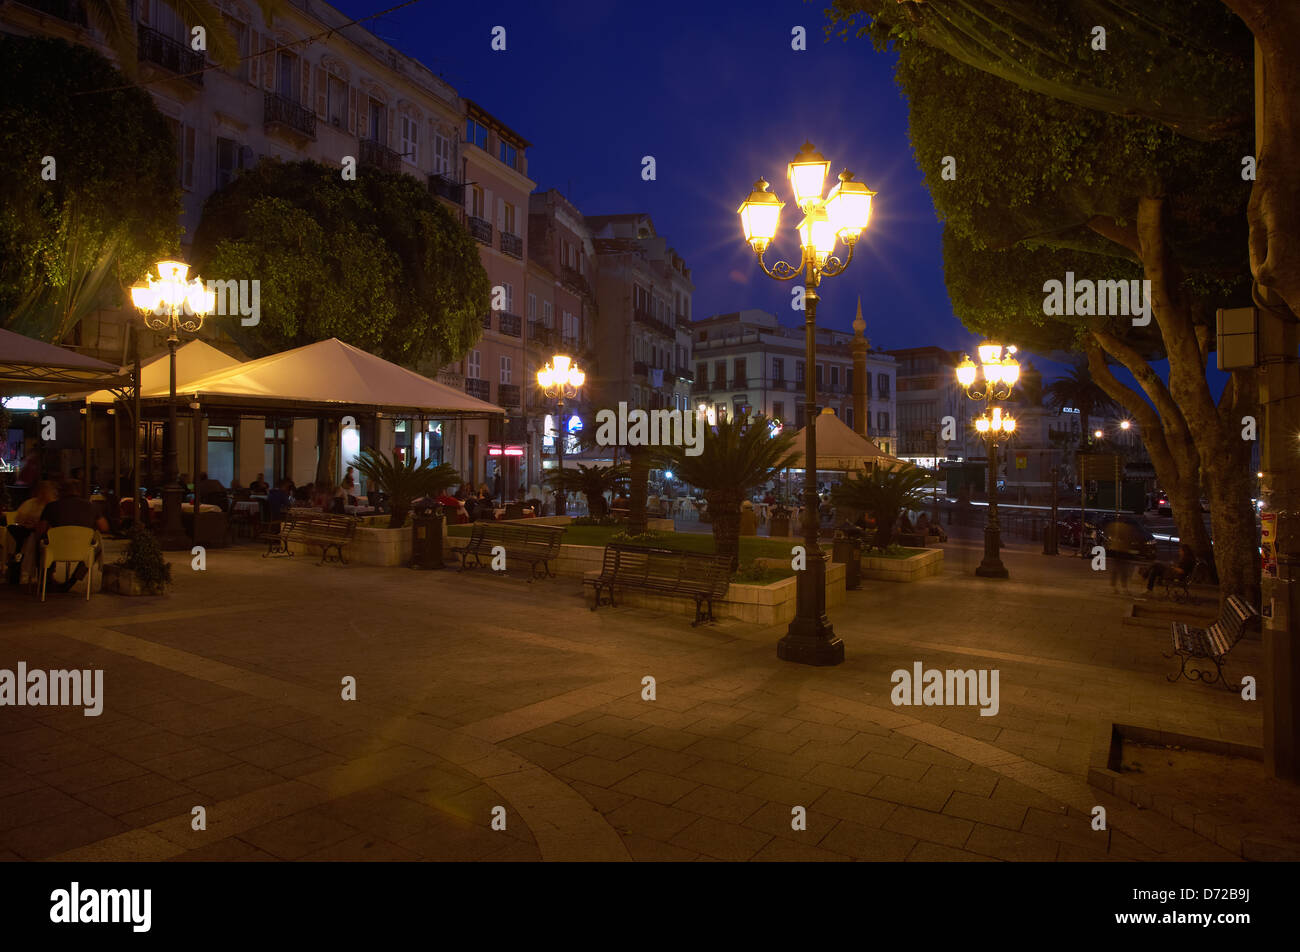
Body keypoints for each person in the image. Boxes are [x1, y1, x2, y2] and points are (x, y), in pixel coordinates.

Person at [38, 479, 108, 593]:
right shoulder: (92, 506)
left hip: (57, 549)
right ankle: (72, 580)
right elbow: (104, 527)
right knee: (96, 547)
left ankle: (46, 578)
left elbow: (40, 530)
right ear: (79, 491)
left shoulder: (51, 506)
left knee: (43, 543)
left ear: (61, 492)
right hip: (82, 549)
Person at [6, 480, 57, 585]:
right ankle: (28, 570)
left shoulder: (53, 506)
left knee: (36, 539)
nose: (43, 494)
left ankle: (42, 572)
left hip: (47, 536)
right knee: (29, 538)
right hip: (30, 533)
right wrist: (28, 521)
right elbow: (19, 518)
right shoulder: (30, 504)